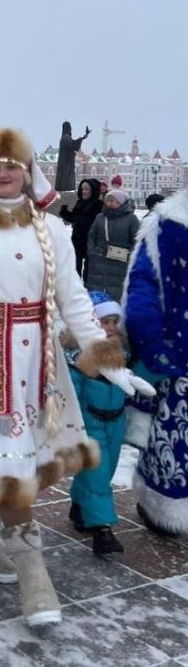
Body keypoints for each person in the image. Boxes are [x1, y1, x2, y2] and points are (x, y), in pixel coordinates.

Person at [0, 127, 153, 627]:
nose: (2, 172)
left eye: (11, 164)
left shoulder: (53, 230)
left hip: (37, 365)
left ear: (25, 170)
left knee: (10, 453)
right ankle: (32, 568)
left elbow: (75, 301)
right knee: (7, 455)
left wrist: (108, 360)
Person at [124, 188, 188, 537]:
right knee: (171, 438)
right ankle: (161, 507)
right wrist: (148, 335)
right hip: (179, 352)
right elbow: (144, 282)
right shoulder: (168, 223)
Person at [64, 291, 141, 556]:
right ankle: (102, 531)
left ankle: (79, 505)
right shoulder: (77, 356)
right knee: (98, 477)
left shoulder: (125, 352)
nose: (109, 328)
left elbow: (138, 378)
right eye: (102, 322)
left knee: (103, 472)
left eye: (112, 322)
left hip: (116, 422)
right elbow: (69, 392)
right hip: (90, 424)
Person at [86, 188, 140, 302]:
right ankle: (97, 314)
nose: (109, 203)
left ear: (120, 202)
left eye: (112, 200)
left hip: (120, 261)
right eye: (107, 200)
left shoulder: (131, 219)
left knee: (117, 289)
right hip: (99, 259)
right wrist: (92, 251)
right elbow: (92, 235)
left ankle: (115, 315)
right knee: (96, 287)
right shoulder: (100, 217)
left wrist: (130, 254)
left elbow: (137, 239)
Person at [59, 178, 103, 278]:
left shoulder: (98, 204)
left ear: (93, 190)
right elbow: (75, 218)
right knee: (75, 263)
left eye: (87, 189)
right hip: (77, 237)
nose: (84, 191)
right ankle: (76, 283)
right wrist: (64, 213)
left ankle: (88, 285)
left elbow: (89, 221)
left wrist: (76, 218)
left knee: (89, 264)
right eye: (82, 189)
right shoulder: (80, 202)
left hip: (90, 238)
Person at [54, 121, 91, 192]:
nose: (71, 129)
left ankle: (66, 187)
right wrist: (81, 138)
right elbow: (73, 145)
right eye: (70, 128)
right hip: (66, 162)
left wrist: (83, 137)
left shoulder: (65, 137)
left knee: (66, 177)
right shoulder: (66, 137)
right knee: (65, 177)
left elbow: (73, 144)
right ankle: (65, 188)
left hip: (66, 162)